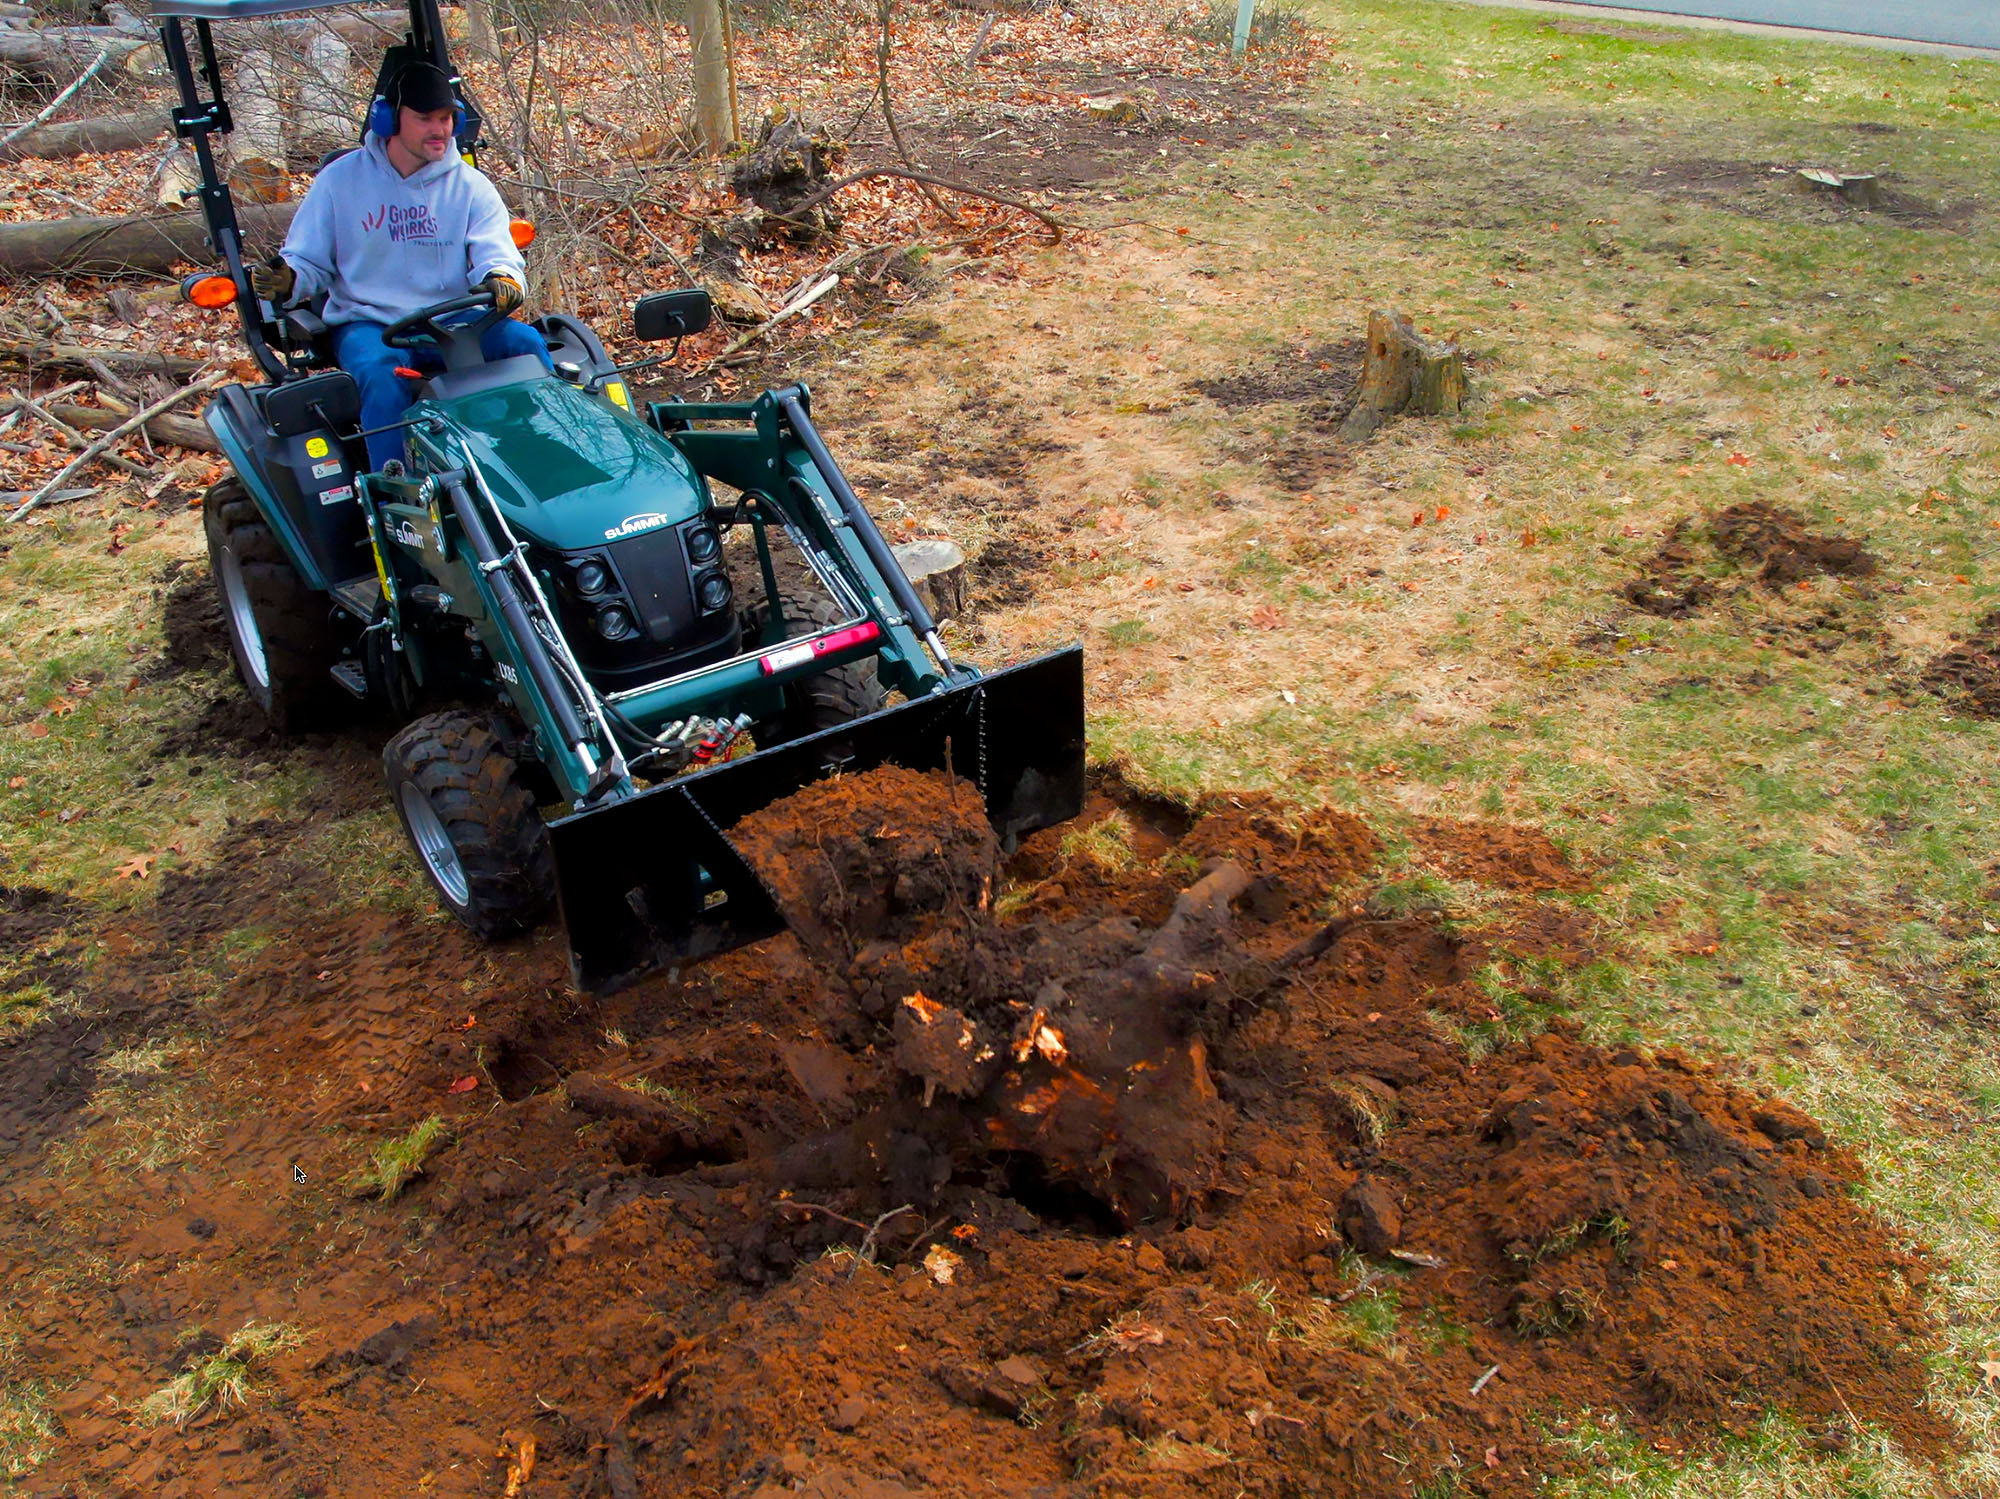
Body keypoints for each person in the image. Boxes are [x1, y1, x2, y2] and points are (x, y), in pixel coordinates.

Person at [253, 60, 552, 472]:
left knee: (527, 346)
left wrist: (502, 276)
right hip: (372, 324)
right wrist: (289, 279)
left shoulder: (469, 186)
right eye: (425, 118)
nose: (440, 130)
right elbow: (306, 260)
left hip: (457, 321)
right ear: (389, 119)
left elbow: (496, 250)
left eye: (447, 118)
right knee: (381, 376)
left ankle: (542, 464)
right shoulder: (340, 182)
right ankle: (397, 492)